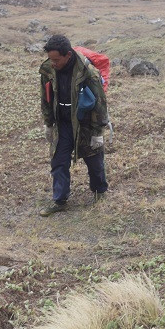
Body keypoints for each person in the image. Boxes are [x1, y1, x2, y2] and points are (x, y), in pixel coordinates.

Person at [38, 34, 108, 217]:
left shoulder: (88, 72)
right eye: (50, 59)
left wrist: (98, 132)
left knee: (94, 160)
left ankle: (99, 192)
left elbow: (100, 103)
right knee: (58, 162)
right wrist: (48, 124)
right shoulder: (48, 70)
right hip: (62, 124)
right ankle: (59, 200)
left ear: (68, 55)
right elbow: (45, 98)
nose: (52, 63)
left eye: (56, 59)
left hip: (85, 123)